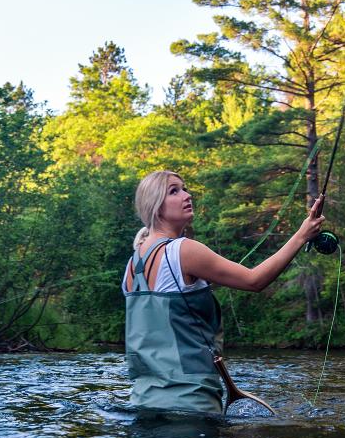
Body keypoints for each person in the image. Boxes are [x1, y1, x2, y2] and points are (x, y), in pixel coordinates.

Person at [122, 170, 325, 414]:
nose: (187, 195)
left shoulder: (133, 264)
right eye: (174, 191)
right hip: (191, 401)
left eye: (185, 188)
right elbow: (254, 280)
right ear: (155, 206)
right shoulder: (184, 250)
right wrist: (302, 235)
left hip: (143, 402)